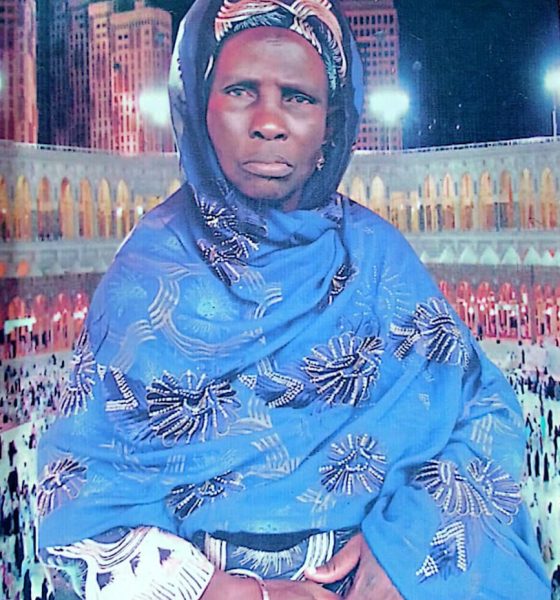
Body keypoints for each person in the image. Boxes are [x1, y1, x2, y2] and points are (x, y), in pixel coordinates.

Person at [37, 0, 550, 598]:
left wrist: (404, 551)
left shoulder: (377, 260)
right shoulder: (146, 276)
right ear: (199, 106)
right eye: (240, 91)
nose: (268, 122)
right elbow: (76, 500)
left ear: (331, 124)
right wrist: (226, 592)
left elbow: (483, 413)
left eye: (298, 98)